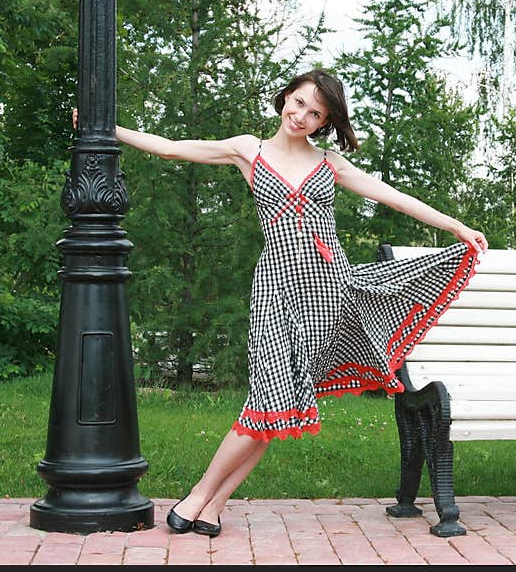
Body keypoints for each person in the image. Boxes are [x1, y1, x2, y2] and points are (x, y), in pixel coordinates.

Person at [75, 68, 487, 537]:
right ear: (285, 97)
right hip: (273, 286)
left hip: (325, 292)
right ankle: (199, 497)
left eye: (316, 113)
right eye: (299, 103)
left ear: (325, 121)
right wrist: (104, 129)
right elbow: (172, 146)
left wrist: (455, 226)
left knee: (279, 400)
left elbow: (393, 197)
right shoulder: (248, 150)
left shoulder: (330, 163)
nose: (302, 116)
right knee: (266, 397)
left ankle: (209, 503)